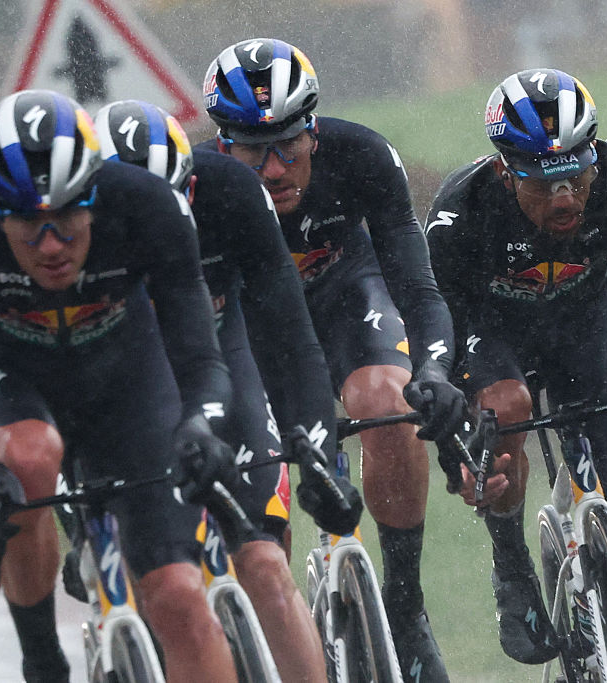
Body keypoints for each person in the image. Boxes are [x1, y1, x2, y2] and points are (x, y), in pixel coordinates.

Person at [0, 89, 242, 682]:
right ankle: (42, 660)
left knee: (181, 601)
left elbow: (199, 360)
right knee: (30, 459)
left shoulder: (149, 206)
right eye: (28, 226)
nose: (51, 245)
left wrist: (199, 425)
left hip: (129, 379)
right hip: (14, 382)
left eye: (66, 219)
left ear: (95, 193)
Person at [424, 69, 607, 679]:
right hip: (494, 333)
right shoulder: (461, 212)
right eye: (542, 184)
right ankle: (511, 563)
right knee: (507, 403)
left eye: (576, 178)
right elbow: (439, 348)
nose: (565, 199)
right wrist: (462, 459)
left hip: (589, 327)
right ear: (504, 170)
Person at [201, 38, 468, 682]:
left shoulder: (364, 156)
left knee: (388, 400)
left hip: (345, 295)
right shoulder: (197, 185)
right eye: (248, 149)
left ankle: (405, 609)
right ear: (219, 142)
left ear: (314, 131)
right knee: (263, 499)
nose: (271, 170)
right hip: (249, 324)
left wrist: (435, 372)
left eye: (287, 146)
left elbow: (418, 287)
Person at [95, 98, 361, 682]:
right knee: (163, 588)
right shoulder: (72, 236)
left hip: (218, 359)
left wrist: (316, 451)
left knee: (265, 563)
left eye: (177, 200)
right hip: (123, 386)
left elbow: (292, 340)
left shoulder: (232, 190)